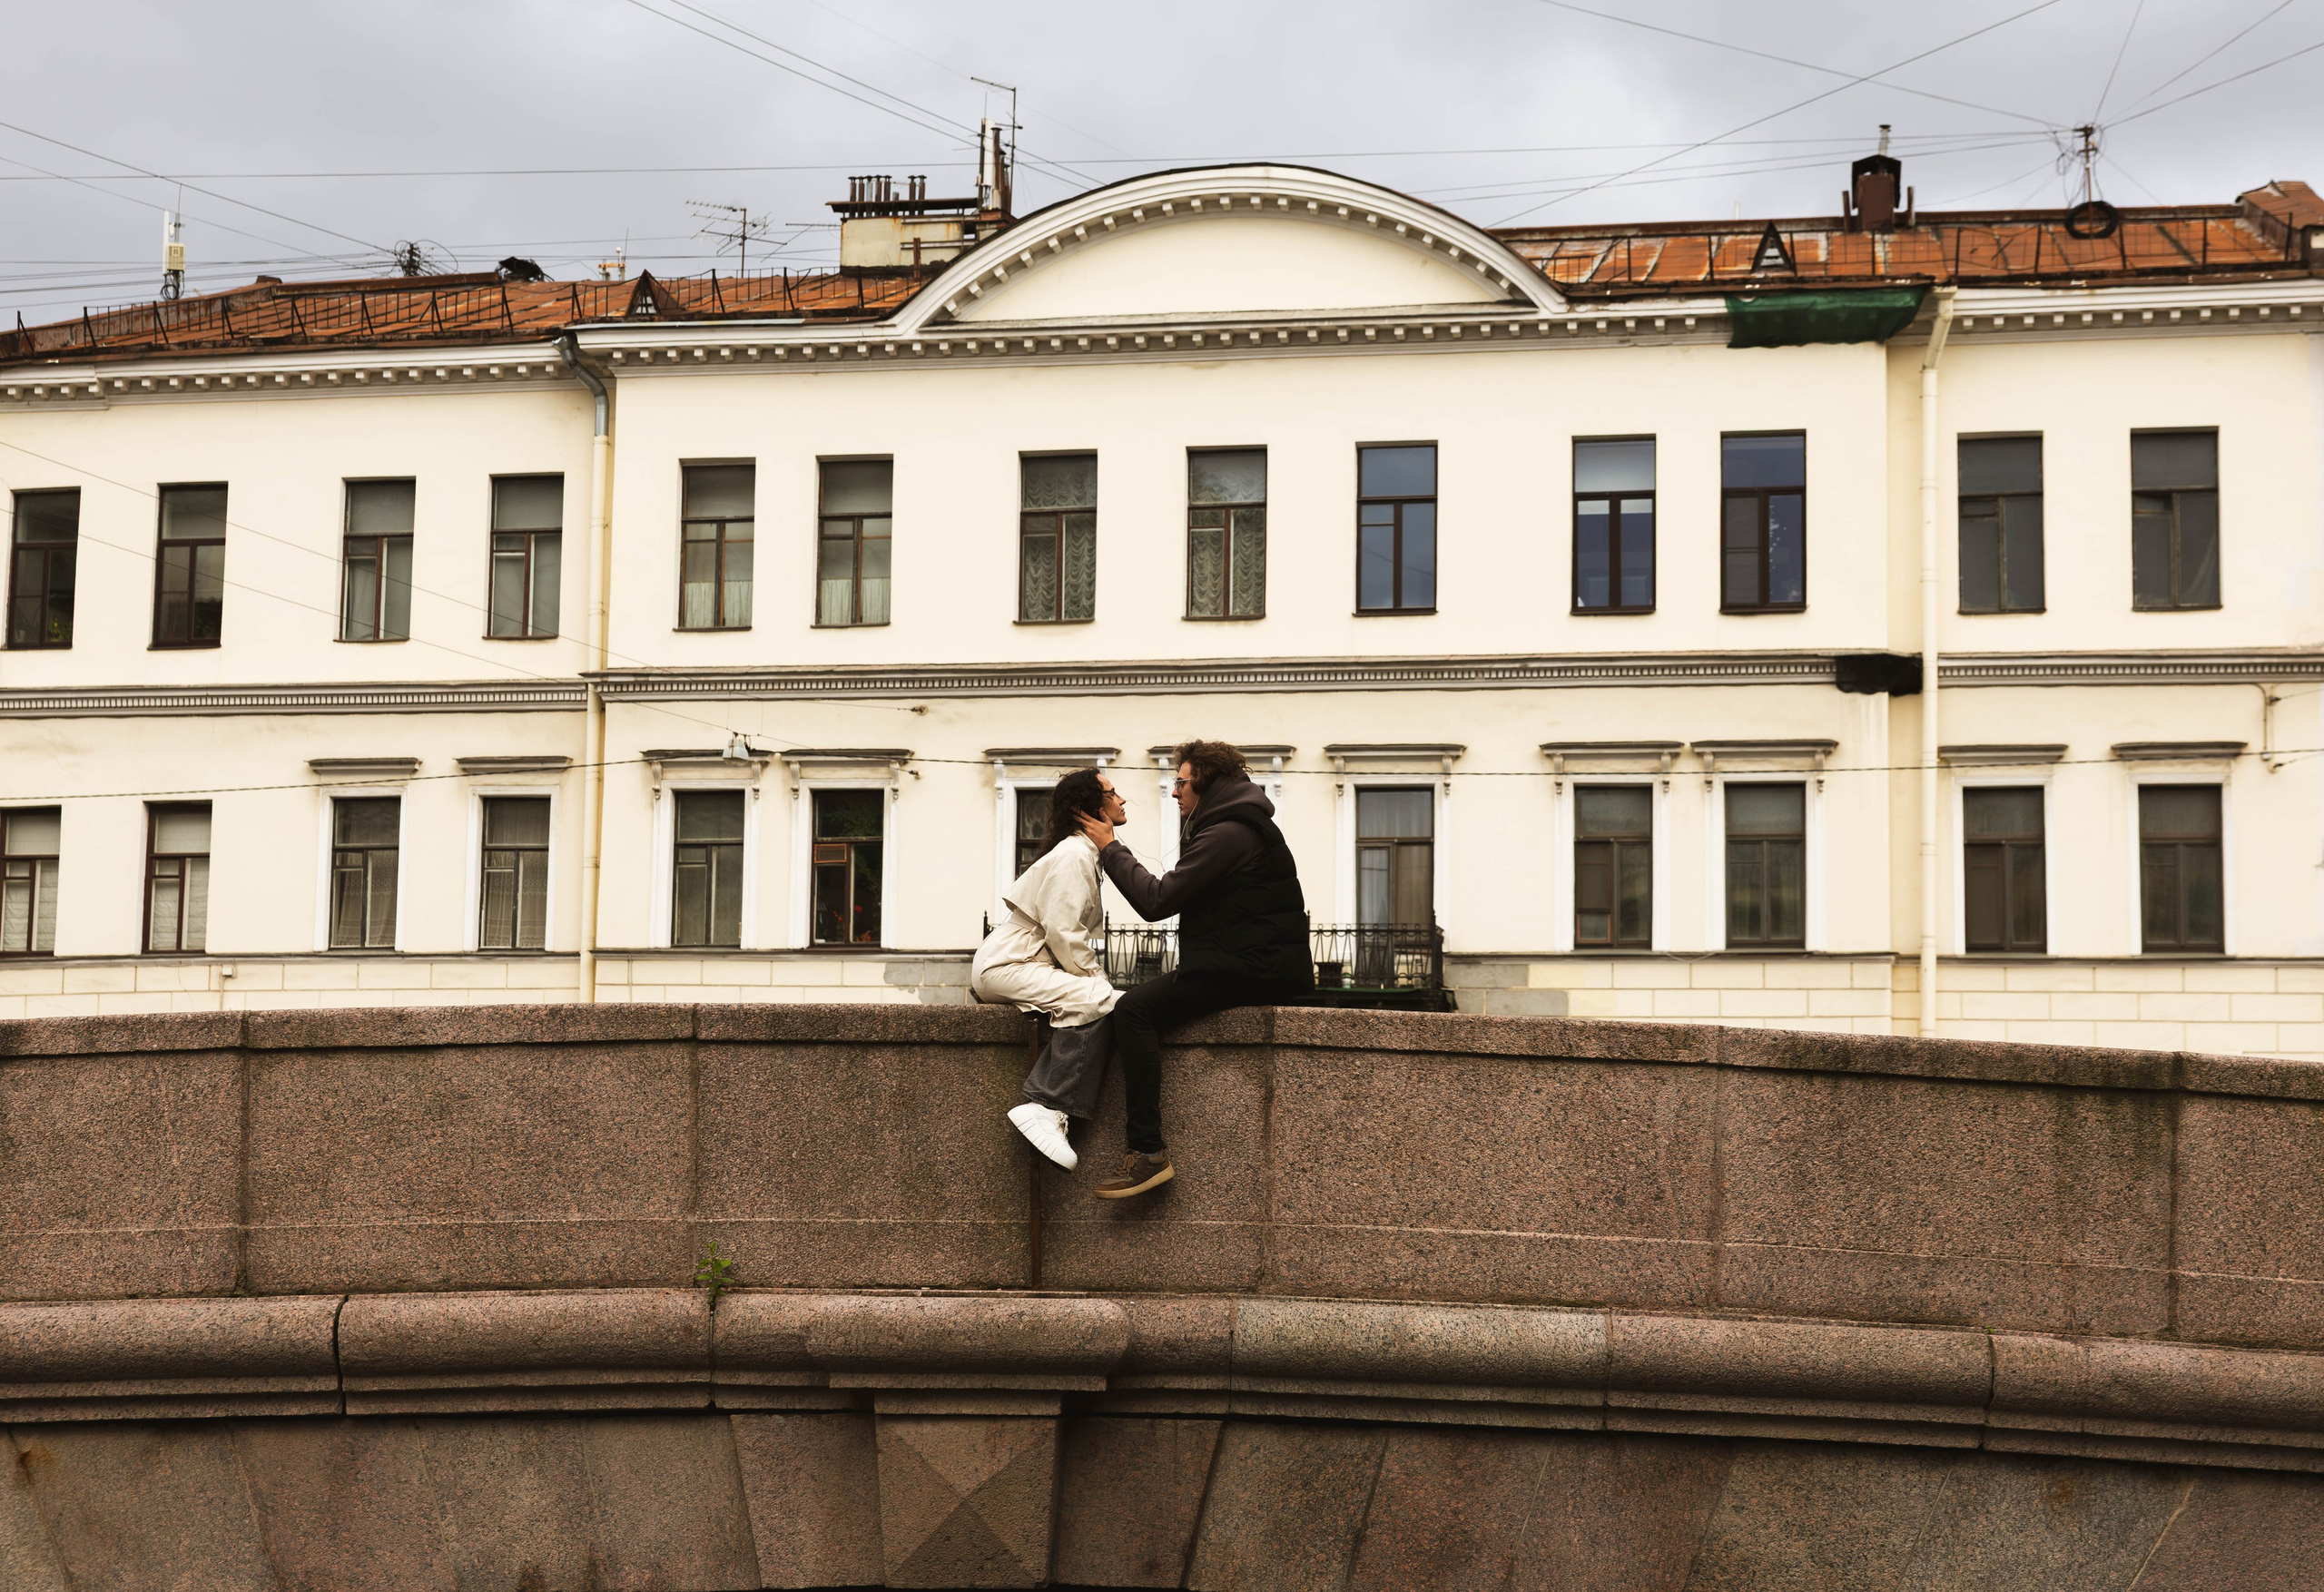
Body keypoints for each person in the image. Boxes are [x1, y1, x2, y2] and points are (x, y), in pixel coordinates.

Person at [1078, 739, 1311, 1199]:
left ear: (1204, 782)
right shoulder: (1234, 824)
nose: (1174, 793)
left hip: (1249, 969)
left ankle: (1147, 1153)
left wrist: (1109, 846)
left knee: (1133, 1011)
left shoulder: (1229, 832)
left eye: (1180, 782)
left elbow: (1157, 901)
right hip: (1248, 963)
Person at [970, 767, 1127, 1171]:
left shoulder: (1083, 853)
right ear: (1088, 807)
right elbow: (1063, 932)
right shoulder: (1074, 854)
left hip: (1017, 961)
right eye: (1113, 793)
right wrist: (1097, 981)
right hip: (1010, 963)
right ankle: (1044, 1105)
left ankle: (1047, 1105)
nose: (1122, 800)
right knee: (1100, 998)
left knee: (1098, 1000)